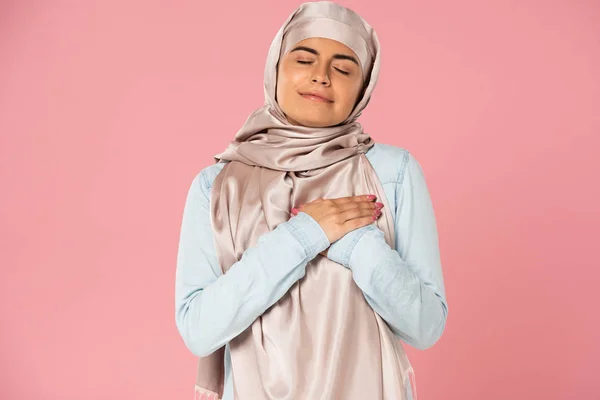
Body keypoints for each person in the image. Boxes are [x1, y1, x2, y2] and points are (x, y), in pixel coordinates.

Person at [175, 2, 448, 399]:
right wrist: (305, 234)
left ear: (363, 87)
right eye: (304, 59)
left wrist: (355, 243)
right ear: (276, 68)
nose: (321, 77)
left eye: (343, 68)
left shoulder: (394, 172)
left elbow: (425, 326)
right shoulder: (218, 185)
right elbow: (199, 331)